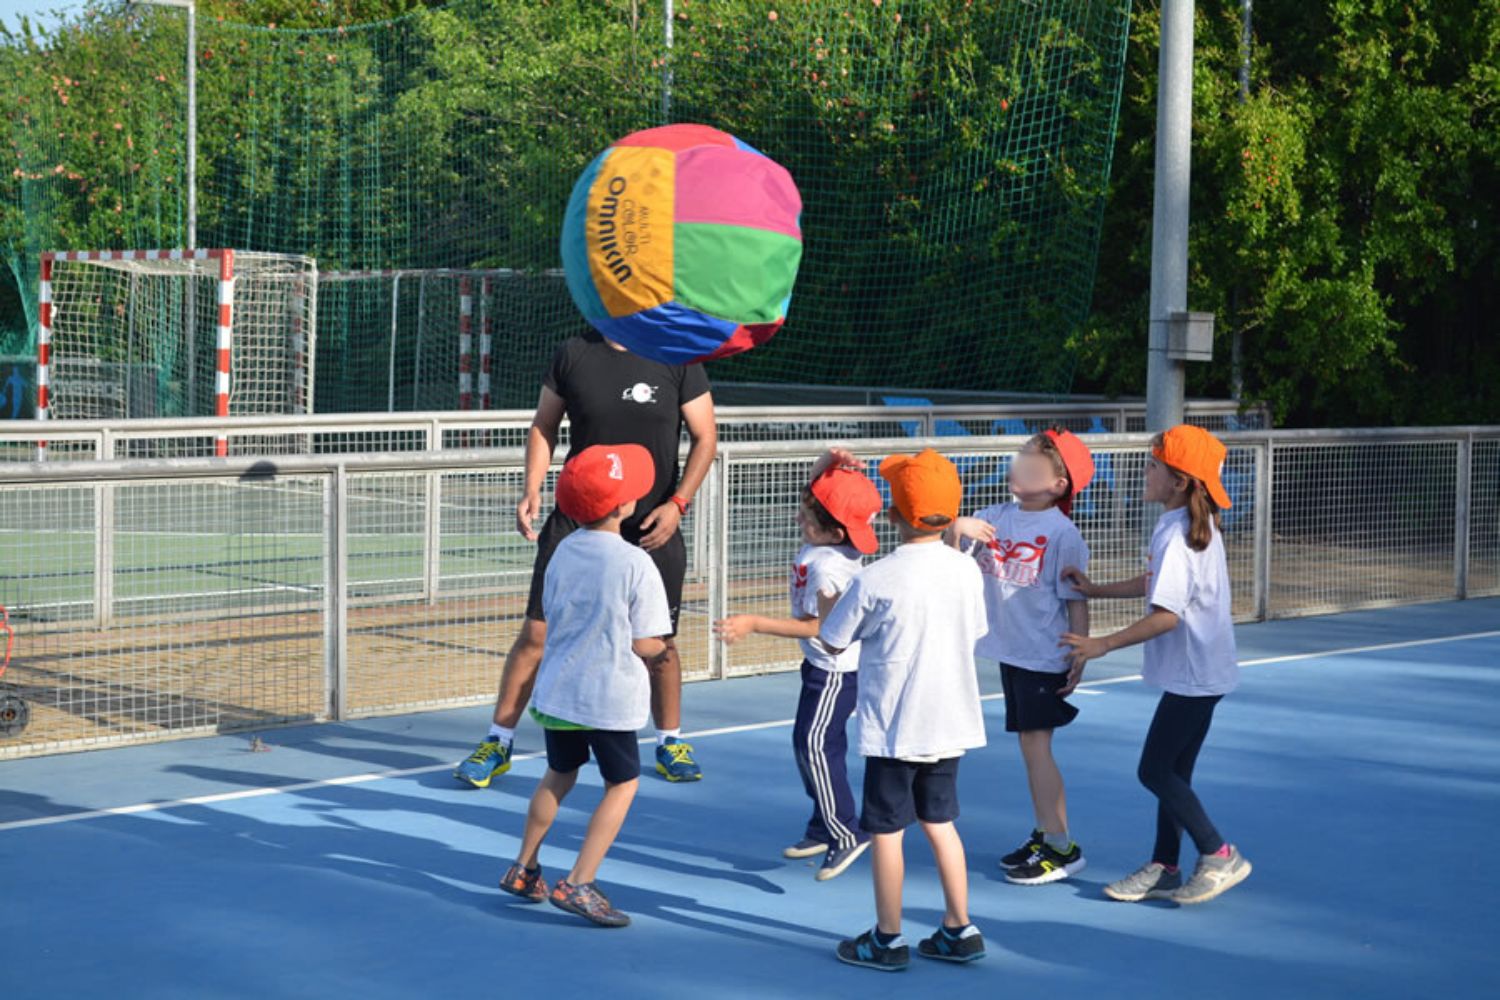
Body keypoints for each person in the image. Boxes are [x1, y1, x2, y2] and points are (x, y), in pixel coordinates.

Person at [455, 330, 716, 788]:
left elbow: (705, 436)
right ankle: (498, 740)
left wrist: (678, 503)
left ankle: (670, 740)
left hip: (651, 523)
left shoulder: (674, 353)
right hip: (579, 519)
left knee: (659, 641)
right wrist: (531, 486)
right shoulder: (574, 352)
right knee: (537, 632)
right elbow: (544, 425)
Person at [1060, 424, 1252, 906]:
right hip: (1203, 672)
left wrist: (1103, 643)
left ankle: (1218, 852)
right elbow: (1158, 585)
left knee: (1154, 771)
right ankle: (1166, 866)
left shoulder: (1180, 534)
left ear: (1179, 481)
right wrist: (1097, 590)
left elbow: (1167, 616)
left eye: (1152, 466)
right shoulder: (1183, 524)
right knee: (1174, 774)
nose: (1144, 472)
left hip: (1193, 675)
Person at [820, 448, 989, 971]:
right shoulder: (966, 571)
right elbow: (977, 630)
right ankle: (960, 927)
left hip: (895, 726)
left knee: (887, 831)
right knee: (941, 823)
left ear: (892, 514)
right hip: (950, 720)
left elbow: (832, 640)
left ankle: (887, 938)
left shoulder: (876, 578)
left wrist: (828, 605)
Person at [498, 443, 671, 927]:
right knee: (622, 783)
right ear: (623, 506)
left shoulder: (561, 552)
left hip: (559, 691)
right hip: (608, 697)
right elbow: (646, 642)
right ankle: (579, 882)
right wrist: (665, 653)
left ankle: (524, 867)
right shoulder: (636, 563)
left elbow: (553, 613)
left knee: (559, 773)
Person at [714, 457, 883, 881]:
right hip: (820, 666)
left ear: (833, 531)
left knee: (815, 746)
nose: (797, 518)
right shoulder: (828, 540)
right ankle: (823, 824)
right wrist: (831, 460)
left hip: (835, 670)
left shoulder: (829, 567)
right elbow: (819, 490)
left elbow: (818, 626)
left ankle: (847, 831)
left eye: (807, 518)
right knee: (815, 745)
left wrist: (753, 623)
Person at [946, 428, 1095, 885]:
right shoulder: (993, 516)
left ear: (1057, 485)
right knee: (1031, 747)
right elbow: (949, 561)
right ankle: (1046, 833)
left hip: (1042, 654)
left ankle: (1061, 846)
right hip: (1012, 651)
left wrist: (1080, 652)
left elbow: (1076, 601)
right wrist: (954, 528)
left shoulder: (1061, 534)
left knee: (1036, 747)